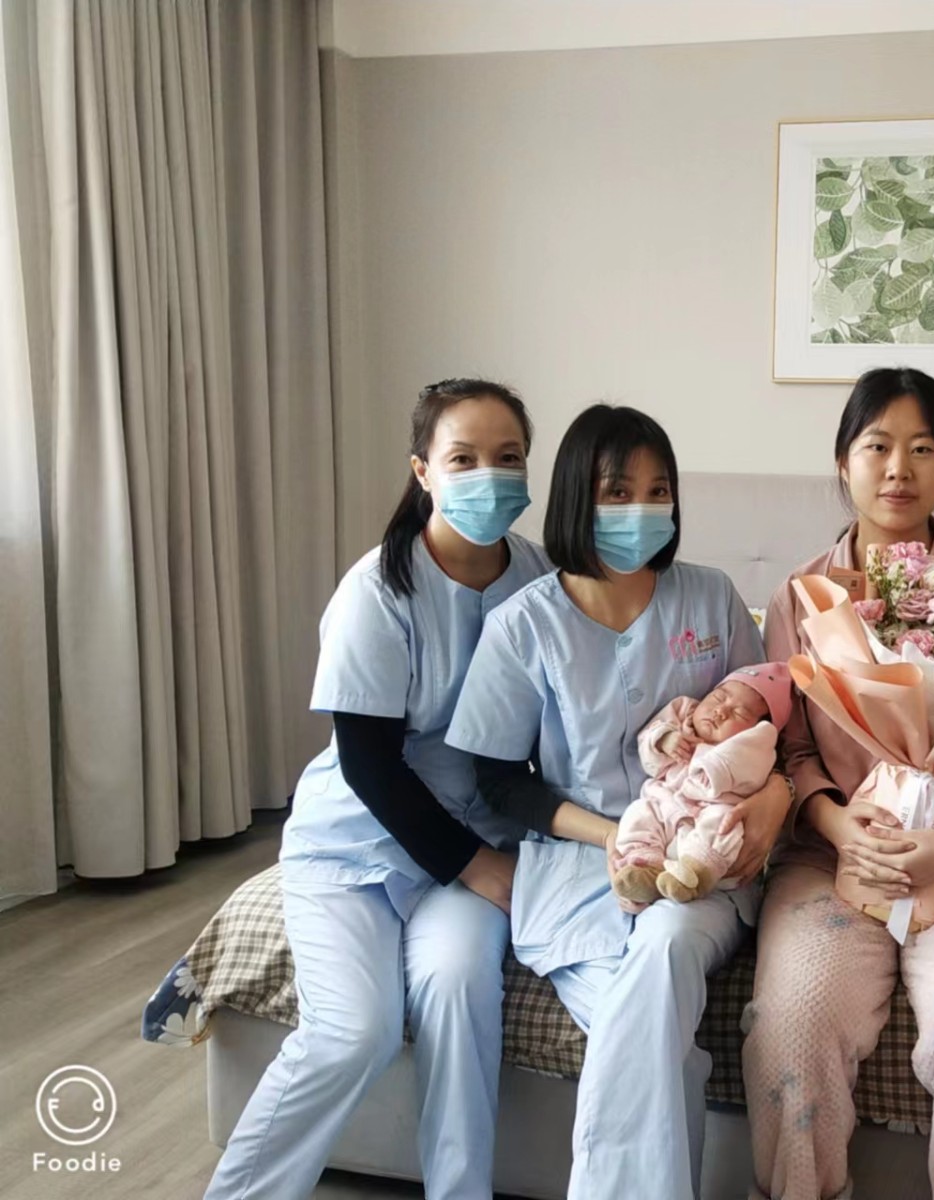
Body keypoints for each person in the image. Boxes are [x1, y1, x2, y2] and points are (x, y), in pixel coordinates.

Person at [205, 378, 552, 1199]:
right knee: (353, 1033)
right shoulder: (378, 589)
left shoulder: (540, 576)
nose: (489, 475)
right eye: (463, 458)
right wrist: (479, 867)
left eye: (508, 458)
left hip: (478, 835)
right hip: (359, 844)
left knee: (459, 987)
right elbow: (369, 765)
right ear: (423, 471)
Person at [445, 403, 792, 1200]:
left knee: (666, 945)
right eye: (617, 492)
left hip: (702, 863)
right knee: (655, 1043)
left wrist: (768, 799)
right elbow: (498, 779)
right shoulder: (523, 626)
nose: (641, 509)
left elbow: (767, 724)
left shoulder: (711, 598)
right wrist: (613, 836)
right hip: (579, 864)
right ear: (577, 497)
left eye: (657, 490)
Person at [742, 367, 934, 1200]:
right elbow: (790, 745)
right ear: (842, 461)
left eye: (922, 449)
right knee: (794, 1022)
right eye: (876, 446)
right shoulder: (801, 598)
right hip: (832, 861)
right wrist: (839, 827)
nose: (897, 469)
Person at [612, 663, 793, 905]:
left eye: (740, 714)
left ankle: (694, 875)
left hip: (711, 808)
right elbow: (648, 738)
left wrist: (710, 766)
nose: (721, 711)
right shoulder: (683, 712)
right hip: (666, 803)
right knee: (639, 812)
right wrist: (664, 739)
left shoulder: (757, 746)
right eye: (718, 697)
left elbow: (747, 762)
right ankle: (643, 866)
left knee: (724, 825)